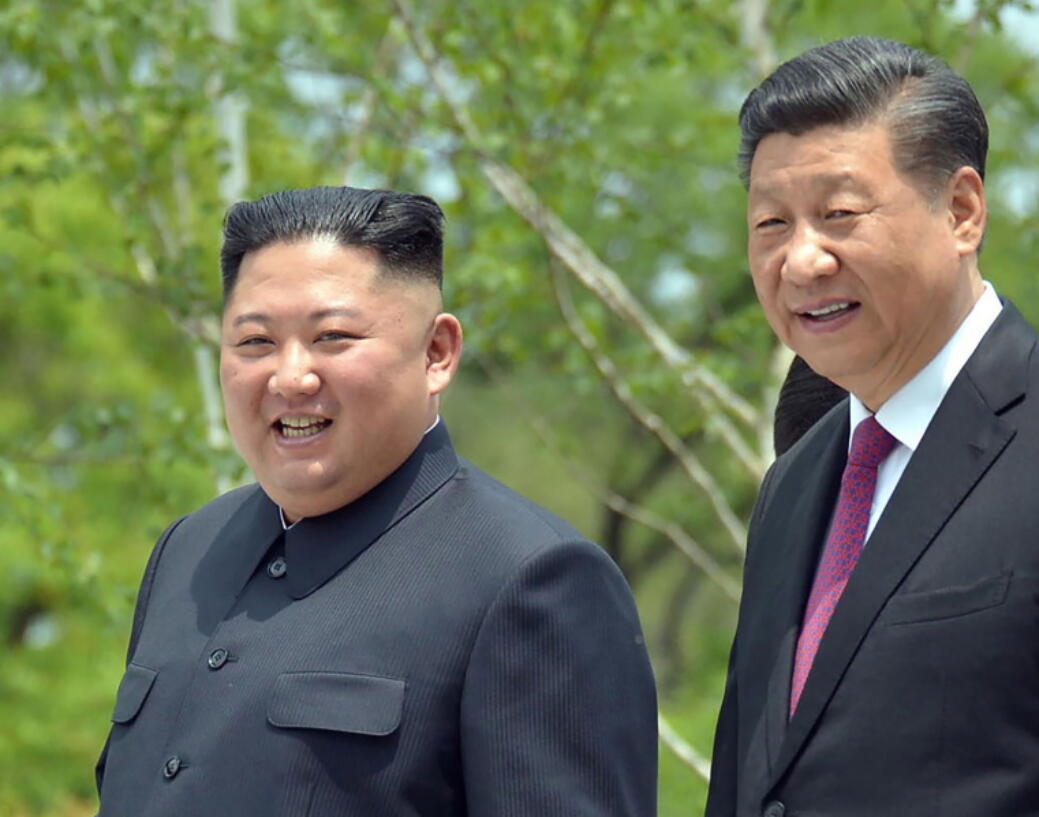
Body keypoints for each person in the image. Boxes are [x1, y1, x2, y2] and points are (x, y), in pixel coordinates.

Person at [706, 36, 1039, 817]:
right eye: (771, 224)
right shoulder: (795, 483)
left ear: (962, 210)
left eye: (838, 215)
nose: (801, 260)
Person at [94, 186, 657, 817]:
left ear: (436, 352)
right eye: (255, 342)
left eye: (332, 336)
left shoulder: (530, 580)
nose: (290, 377)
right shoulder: (188, 552)